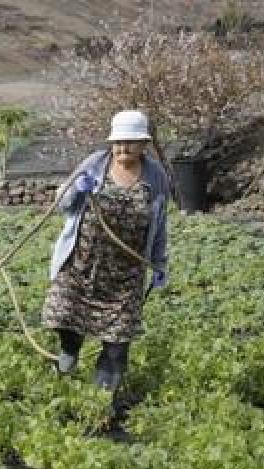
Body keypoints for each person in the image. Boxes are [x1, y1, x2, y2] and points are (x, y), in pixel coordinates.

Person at [42, 109, 170, 390]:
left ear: (144, 144)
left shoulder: (156, 176)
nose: (123, 148)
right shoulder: (95, 163)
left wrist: (160, 263)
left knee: (117, 344)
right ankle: (69, 350)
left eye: (130, 142)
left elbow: (159, 223)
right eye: (118, 142)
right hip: (81, 265)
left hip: (126, 276)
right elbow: (62, 202)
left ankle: (102, 397)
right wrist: (77, 189)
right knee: (63, 316)